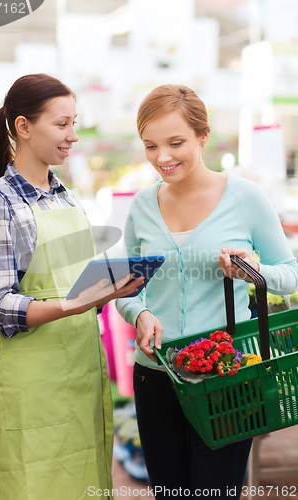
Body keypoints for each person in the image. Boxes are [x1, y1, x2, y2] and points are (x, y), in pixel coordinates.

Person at [116, 84, 298, 499]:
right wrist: (138, 314)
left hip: (226, 376)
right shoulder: (143, 206)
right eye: (150, 146)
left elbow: (291, 273)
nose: (162, 157)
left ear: (203, 136)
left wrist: (251, 271)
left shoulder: (244, 198)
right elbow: (127, 287)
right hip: (156, 373)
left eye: (175, 142)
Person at [0, 73, 144, 500]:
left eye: (75, 123)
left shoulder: (67, 197)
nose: (73, 136)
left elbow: (77, 278)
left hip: (82, 371)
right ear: (24, 127)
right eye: (62, 124)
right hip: (33, 382)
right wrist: (76, 303)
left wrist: (115, 284)